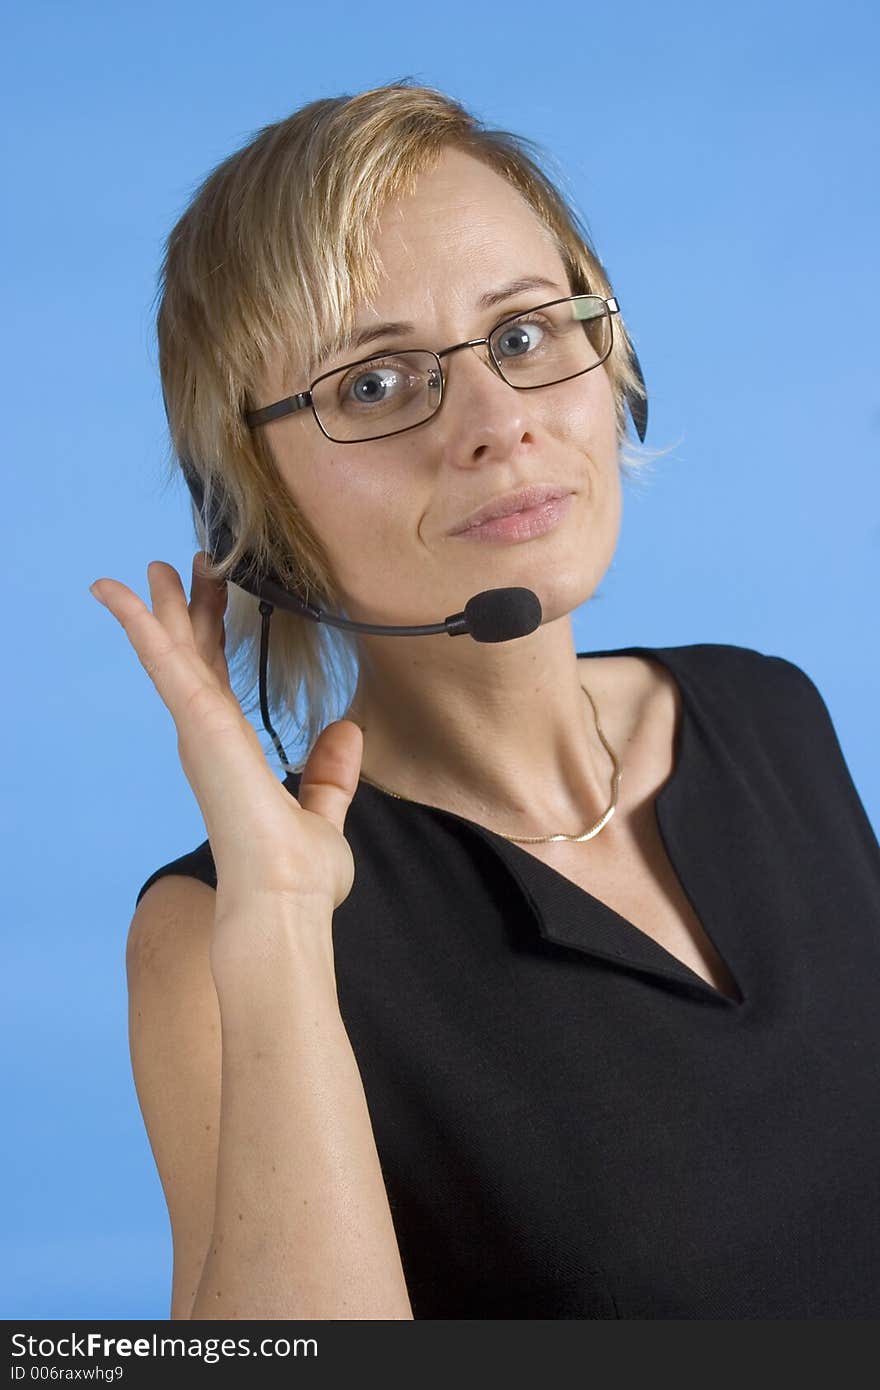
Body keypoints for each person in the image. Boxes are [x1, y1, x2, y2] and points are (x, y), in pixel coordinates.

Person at [90, 81, 880, 1320]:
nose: (496, 423)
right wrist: (286, 937)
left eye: (522, 336)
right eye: (371, 384)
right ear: (248, 509)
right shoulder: (218, 931)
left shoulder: (770, 713)